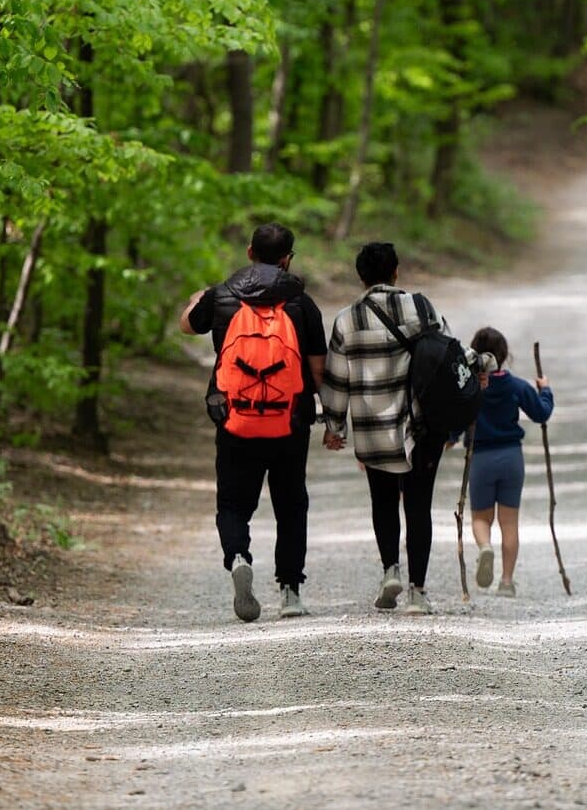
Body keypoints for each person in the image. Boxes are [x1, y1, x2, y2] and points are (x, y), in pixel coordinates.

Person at [179, 223, 325, 623]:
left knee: (232, 503)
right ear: (287, 259)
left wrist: (198, 298)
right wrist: (327, 415)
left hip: (234, 419)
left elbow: (187, 324)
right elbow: (317, 369)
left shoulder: (223, 295)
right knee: (291, 504)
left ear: (249, 252)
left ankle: (239, 556)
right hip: (289, 421)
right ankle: (290, 591)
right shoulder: (301, 302)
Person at [320, 241, 453, 615]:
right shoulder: (421, 307)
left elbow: (336, 380)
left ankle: (390, 569)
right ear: (396, 271)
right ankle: (417, 592)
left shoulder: (346, 320)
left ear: (361, 277)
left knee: (382, 500)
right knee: (419, 506)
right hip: (420, 428)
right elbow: (449, 355)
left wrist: (334, 426)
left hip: (372, 430)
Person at [462, 327, 552, 597]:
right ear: (504, 355)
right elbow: (541, 413)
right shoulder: (516, 386)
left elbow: (456, 418)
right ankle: (506, 581)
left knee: (481, 518)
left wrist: (451, 438)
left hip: (480, 458)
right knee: (509, 523)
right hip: (511, 457)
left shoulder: (470, 388)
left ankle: (485, 547)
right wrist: (545, 391)